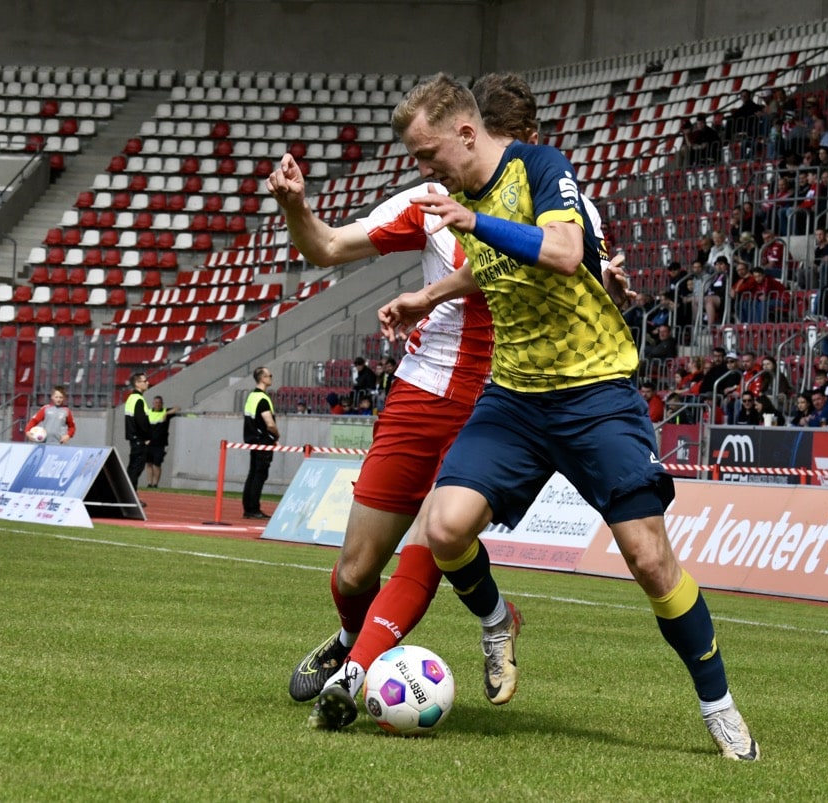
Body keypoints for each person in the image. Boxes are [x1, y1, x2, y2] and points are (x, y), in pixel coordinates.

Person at [373, 74, 757, 759]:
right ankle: (498, 619)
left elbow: (563, 251)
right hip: (516, 397)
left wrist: (474, 223)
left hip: (594, 394)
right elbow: (492, 266)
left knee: (648, 557)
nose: (422, 169)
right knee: (446, 525)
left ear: (466, 133)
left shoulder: (541, 168)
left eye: (426, 153)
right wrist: (428, 295)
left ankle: (719, 706)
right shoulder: (464, 194)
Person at [270, 73, 634, 728]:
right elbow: (324, 246)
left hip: (501, 405)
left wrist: (609, 281)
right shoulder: (433, 202)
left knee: (430, 543)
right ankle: (361, 638)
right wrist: (296, 203)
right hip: (420, 392)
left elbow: (583, 269)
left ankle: (354, 681)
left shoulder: (563, 201)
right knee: (353, 572)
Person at [242, 366, 279, 519]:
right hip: (263, 441)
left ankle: (248, 507)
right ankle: (254, 509)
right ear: (262, 378)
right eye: (269, 375)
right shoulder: (263, 399)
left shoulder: (252, 396)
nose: (271, 378)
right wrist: (276, 435)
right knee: (260, 475)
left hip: (253, 440)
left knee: (252, 474)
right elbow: (269, 423)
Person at [122, 372, 151, 490]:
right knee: (136, 468)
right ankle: (129, 495)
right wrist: (147, 437)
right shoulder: (138, 399)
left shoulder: (131, 398)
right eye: (145, 381)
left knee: (133, 467)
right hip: (139, 439)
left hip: (134, 438)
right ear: (138, 384)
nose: (147, 383)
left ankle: (129, 495)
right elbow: (141, 421)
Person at [146, 395, 180, 487]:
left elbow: (178, 408)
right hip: (149, 443)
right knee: (149, 464)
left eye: (159, 403)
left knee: (157, 464)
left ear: (162, 404)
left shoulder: (165, 411)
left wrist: (166, 414)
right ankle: (149, 483)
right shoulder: (148, 412)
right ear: (153, 403)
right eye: (155, 402)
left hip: (160, 444)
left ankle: (155, 484)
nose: (157, 404)